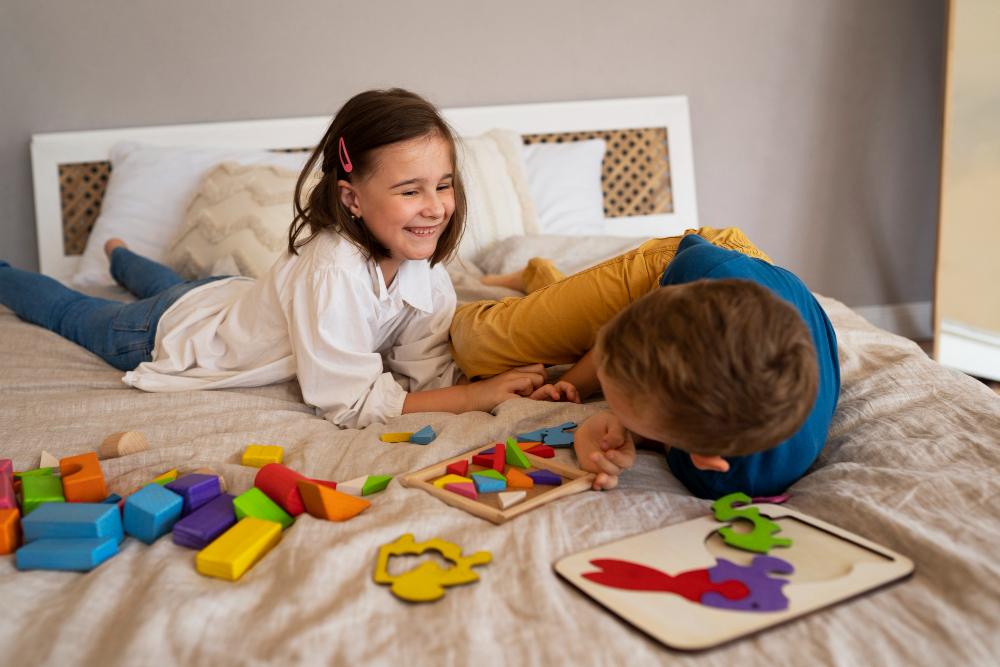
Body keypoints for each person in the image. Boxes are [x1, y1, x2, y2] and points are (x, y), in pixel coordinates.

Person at [0, 88, 546, 428]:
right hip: (164, 332)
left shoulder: (423, 266)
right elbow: (349, 404)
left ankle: (122, 255)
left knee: (170, 285)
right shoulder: (332, 267)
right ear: (352, 198)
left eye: (444, 185)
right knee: (72, 312)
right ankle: (62, 266)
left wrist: (505, 384)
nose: (435, 208)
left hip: (226, 295)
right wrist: (474, 396)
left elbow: (424, 366)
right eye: (409, 191)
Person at [451, 229, 840, 498]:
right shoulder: (698, 270)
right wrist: (575, 383)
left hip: (760, 302)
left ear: (701, 455)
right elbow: (632, 326)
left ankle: (545, 280)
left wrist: (604, 427)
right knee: (475, 341)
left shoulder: (718, 479)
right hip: (707, 267)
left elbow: (665, 418)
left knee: (483, 343)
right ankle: (546, 281)